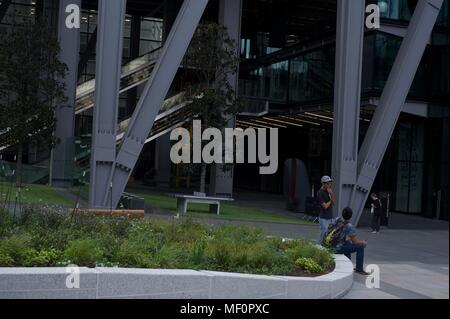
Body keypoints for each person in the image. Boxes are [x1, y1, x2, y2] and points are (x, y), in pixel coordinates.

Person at [335, 207, 370, 275]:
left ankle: (348, 265)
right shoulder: (349, 226)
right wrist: (363, 242)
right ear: (351, 216)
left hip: (333, 245)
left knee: (348, 243)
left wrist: (347, 239)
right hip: (339, 248)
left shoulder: (337, 221)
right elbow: (355, 242)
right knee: (360, 247)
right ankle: (359, 269)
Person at [317, 176, 336, 243]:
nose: (329, 185)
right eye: (327, 183)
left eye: (330, 183)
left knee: (329, 235)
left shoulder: (329, 192)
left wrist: (331, 194)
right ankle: (318, 246)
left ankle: (324, 248)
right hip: (323, 218)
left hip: (330, 217)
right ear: (323, 183)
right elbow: (325, 206)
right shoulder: (320, 193)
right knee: (323, 234)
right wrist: (330, 200)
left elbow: (334, 203)